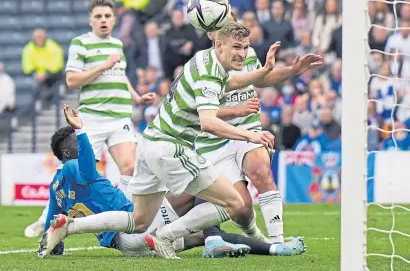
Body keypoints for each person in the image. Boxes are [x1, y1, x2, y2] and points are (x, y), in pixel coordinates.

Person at [39, 22, 280, 260]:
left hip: (149, 144)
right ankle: (166, 236)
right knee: (234, 203)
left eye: (246, 47)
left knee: (139, 220)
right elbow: (209, 122)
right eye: (237, 47)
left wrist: (264, 70)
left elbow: (230, 83)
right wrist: (251, 135)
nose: (242, 53)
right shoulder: (209, 74)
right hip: (170, 147)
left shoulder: (203, 60)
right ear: (219, 45)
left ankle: (68, 227)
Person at [38, 105, 305, 258]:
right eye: (77, 144)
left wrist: (53, 245)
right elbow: (85, 169)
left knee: (200, 231)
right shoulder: (73, 166)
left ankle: (263, 248)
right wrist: (82, 129)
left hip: (128, 244)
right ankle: (259, 244)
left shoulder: (56, 186)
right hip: (134, 227)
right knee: (208, 189)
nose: (85, 149)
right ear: (66, 152)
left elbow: (51, 218)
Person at [24, 0, 156, 238]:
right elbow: (72, 80)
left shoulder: (117, 44)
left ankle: (122, 221)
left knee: (130, 166)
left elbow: (120, 75)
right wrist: (103, 65)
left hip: (119, 118)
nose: (103, 20)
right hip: (92, 119)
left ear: (114, 20)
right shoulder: (80, 43)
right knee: (71, 172)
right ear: (90, 21)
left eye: (107, 16)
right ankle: (46, 218)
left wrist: (137, 97)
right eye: (98, 16)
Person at [190, 14, 322, 248]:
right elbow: (201, 114)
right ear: (213, 33)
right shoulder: (203, 65)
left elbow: (261, 79)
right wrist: (237, 110)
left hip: (249, 132)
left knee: (261, 170)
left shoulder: (245, 53)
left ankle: (278, 242)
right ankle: (256, 238)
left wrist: (293, 70)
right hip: (215, 141)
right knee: (242, 207)